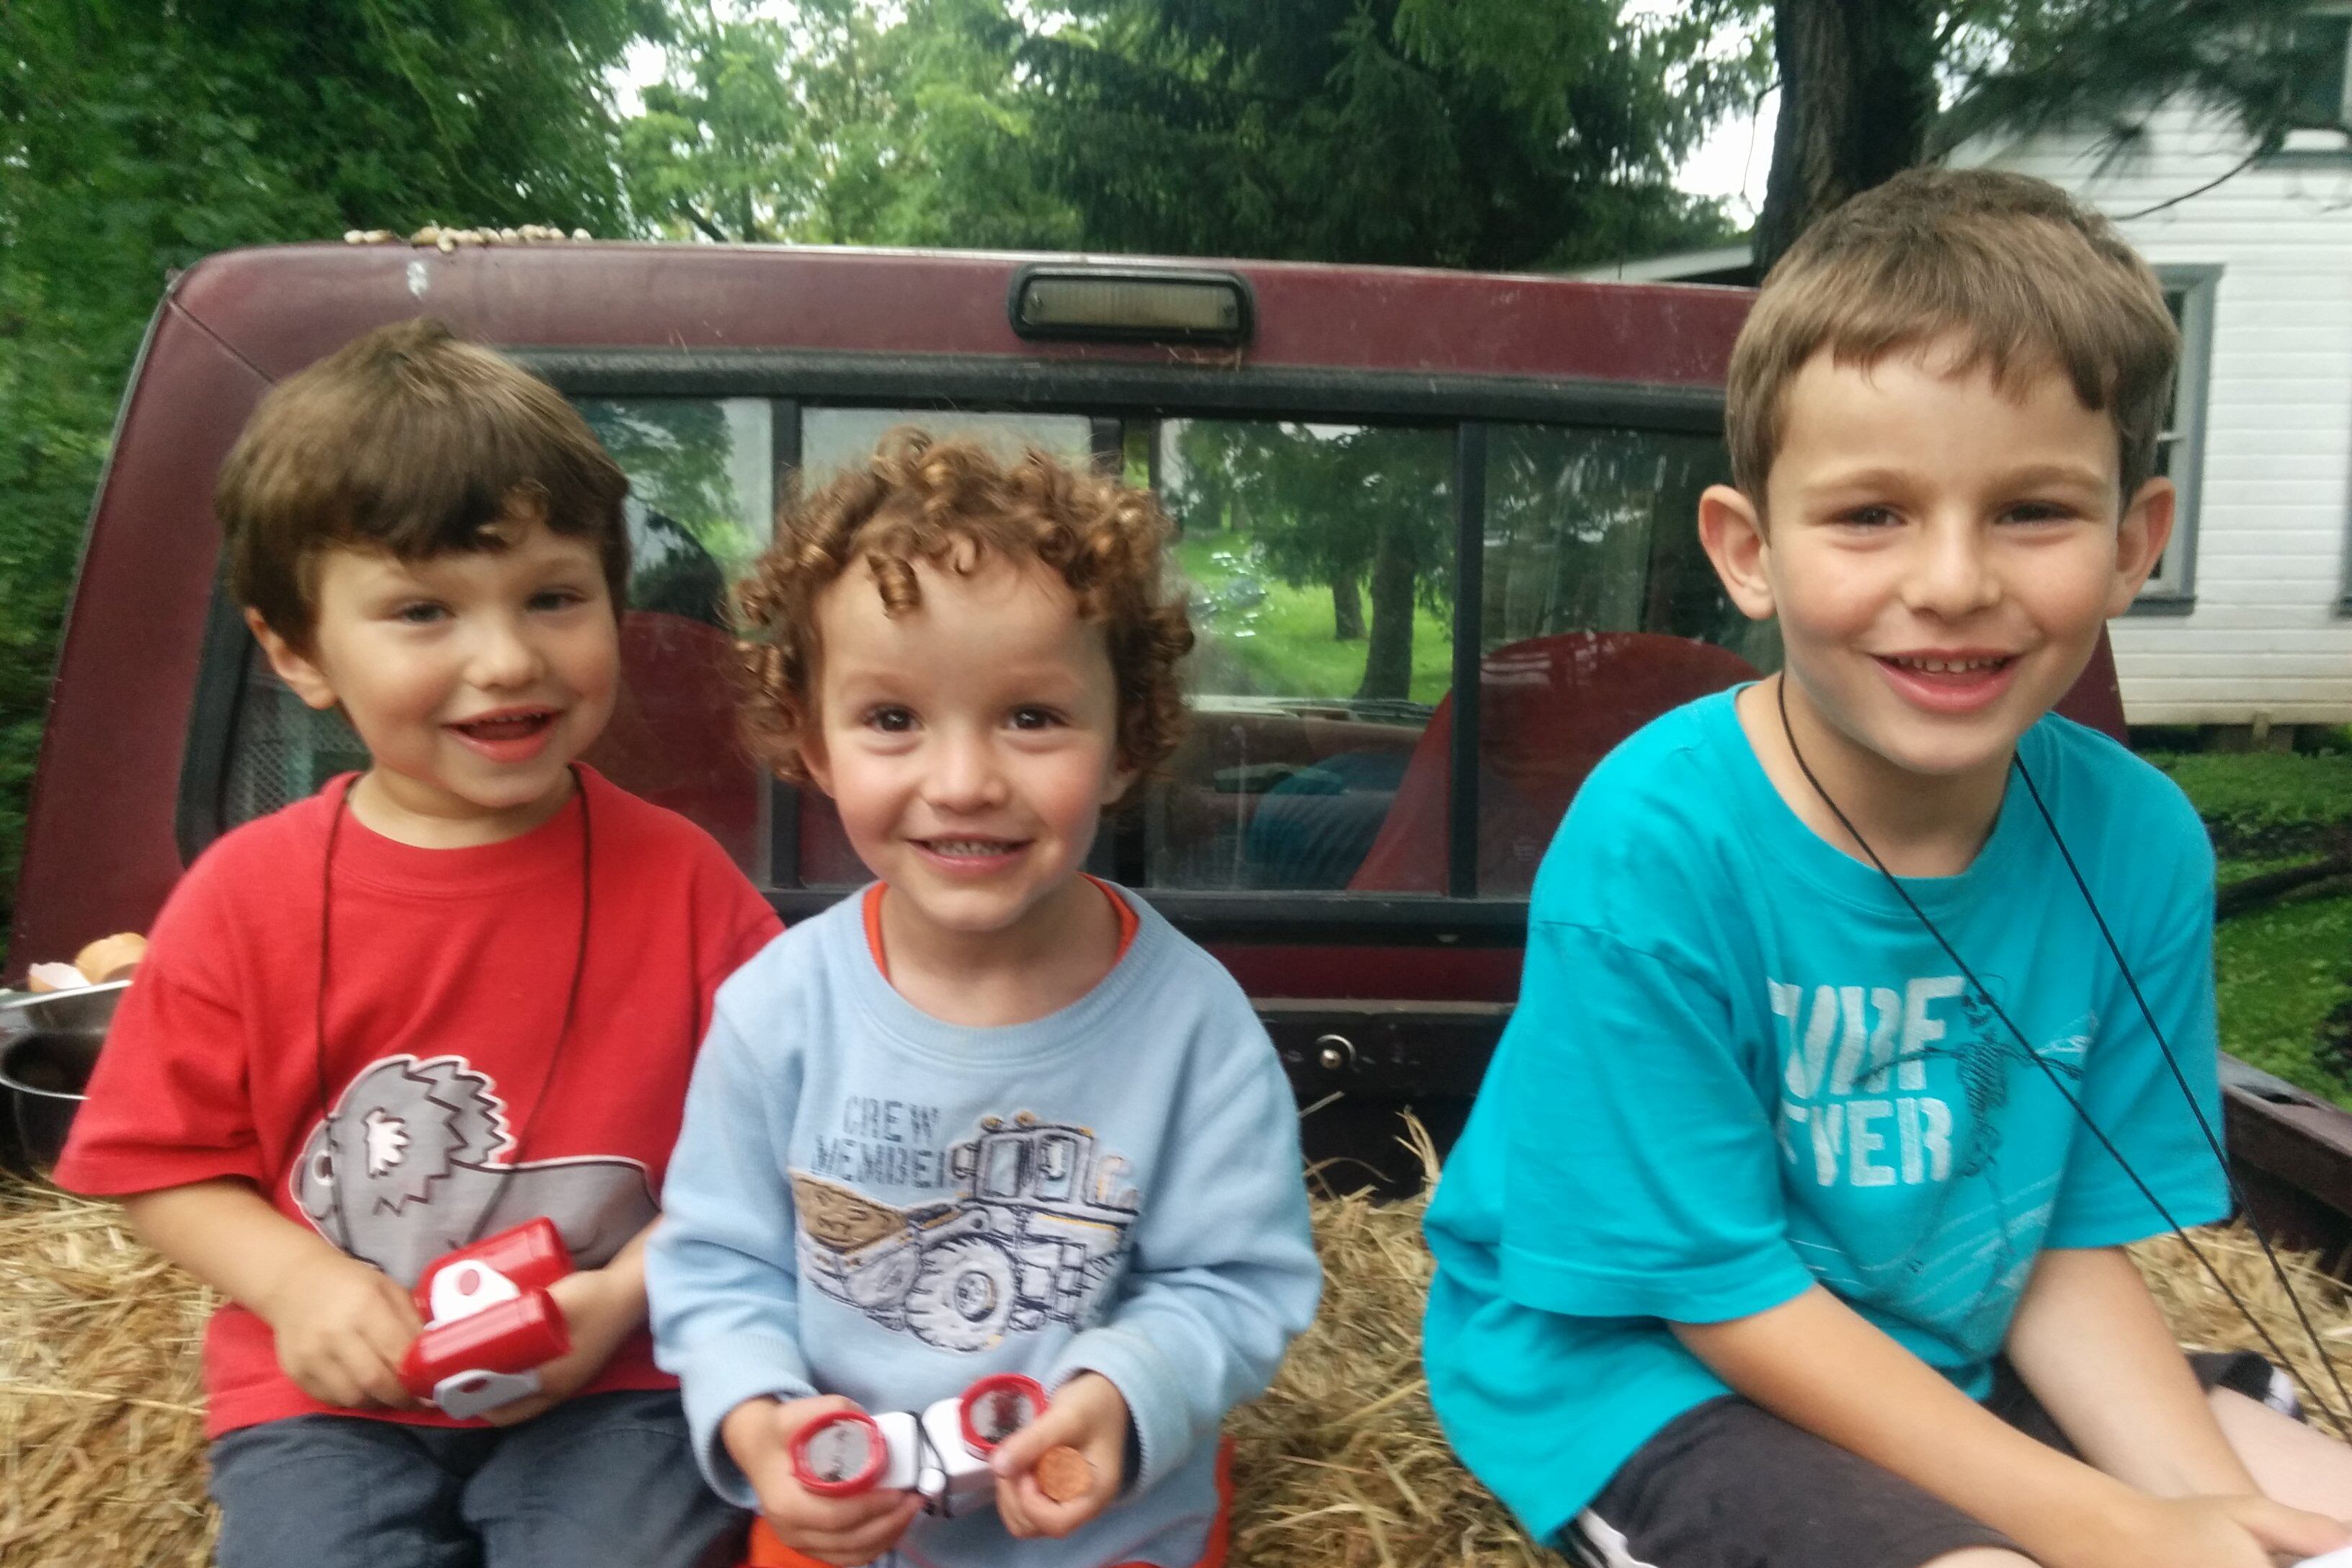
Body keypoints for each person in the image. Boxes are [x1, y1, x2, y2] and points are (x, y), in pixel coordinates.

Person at [1420, 167, 2352, 1568]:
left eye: (2033, 509)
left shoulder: (2138, 838)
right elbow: (1722, 1295)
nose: (1956, 578)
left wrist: (2180, 1503)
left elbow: (2055, 1240)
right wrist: (2110, 1525)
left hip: (1940, 1332)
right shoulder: (1658, 841)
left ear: (2130, 543)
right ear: (1751, 551)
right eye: (1871, 514)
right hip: (1652, 1368)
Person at [54, 318, 782, 1568]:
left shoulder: (689, 884)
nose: (504, 659)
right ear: (295, 651)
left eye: (554, 596)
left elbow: (776, 1151)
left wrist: (621, 1297)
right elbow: (158, 1164)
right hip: (336, 1402)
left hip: (617, 1375)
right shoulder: (243, 898)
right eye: (420, 611)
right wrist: (300, 1287)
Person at [646, 432, 1322, 1568]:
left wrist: (1123, 1393)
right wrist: (761, 1424)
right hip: (845, 1522)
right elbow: (719, 1262)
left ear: (1124, 745)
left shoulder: (1193, 1027)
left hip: (1105, 1529)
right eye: (893, 720)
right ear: (813, 743)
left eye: (1031, 717)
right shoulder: (776, 1012)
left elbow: (1236, 1281)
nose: (962, 783)